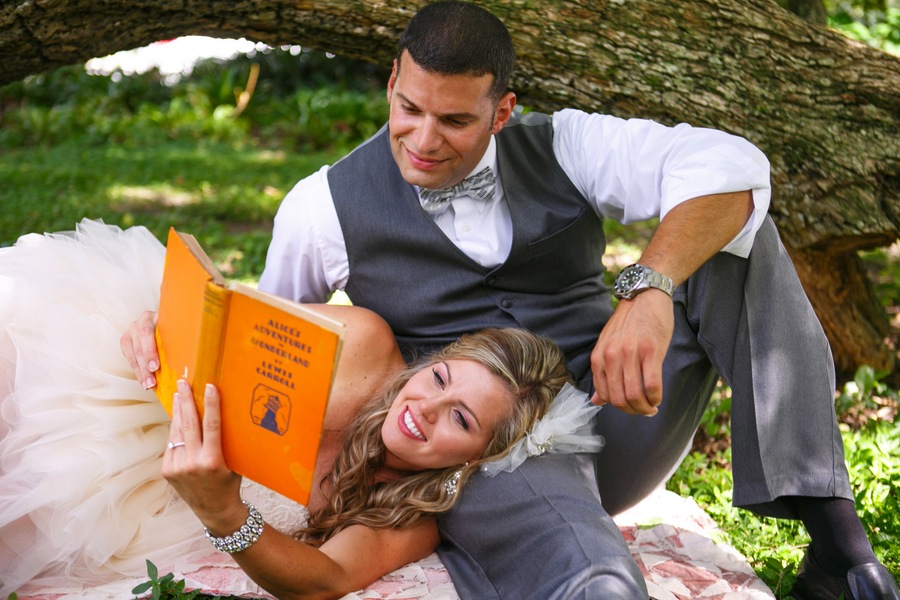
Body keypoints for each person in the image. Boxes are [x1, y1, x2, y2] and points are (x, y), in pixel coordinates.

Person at [122, 2, 899, 599]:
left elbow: (732, 162)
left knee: (736, 236)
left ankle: (836, 539)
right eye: (410, 110)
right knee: (584, 565)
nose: (424, 139)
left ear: (502, 110)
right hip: (476, 445)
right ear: (391, 86)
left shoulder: (562, 143)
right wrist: (172, 345)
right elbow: (277, 349)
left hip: (620, 406)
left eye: (456, 119)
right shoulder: (319, 207)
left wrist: (652, 287)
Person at [0, 220, 606, 597]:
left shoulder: (407, 515)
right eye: (441, 377)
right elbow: (229, 324)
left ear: (478, 458)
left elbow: (326, 581)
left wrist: (226, 515)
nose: (425, 405)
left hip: (134, 493)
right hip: (131, 393)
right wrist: (151, 325)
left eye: (462, 419)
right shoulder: (365, 342)